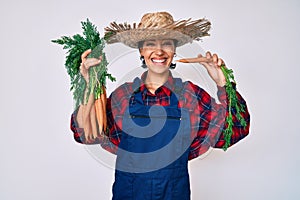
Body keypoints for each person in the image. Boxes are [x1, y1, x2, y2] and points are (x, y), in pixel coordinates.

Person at [70, 11, 250, 200]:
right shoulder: (123, 97)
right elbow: (83, 134)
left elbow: (238, 128)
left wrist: (223, 83)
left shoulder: (190, 96)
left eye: (166, 43)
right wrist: (89, 85)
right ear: (141, 50)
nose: (159, 51)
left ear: (174, 49)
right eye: (150, 44)